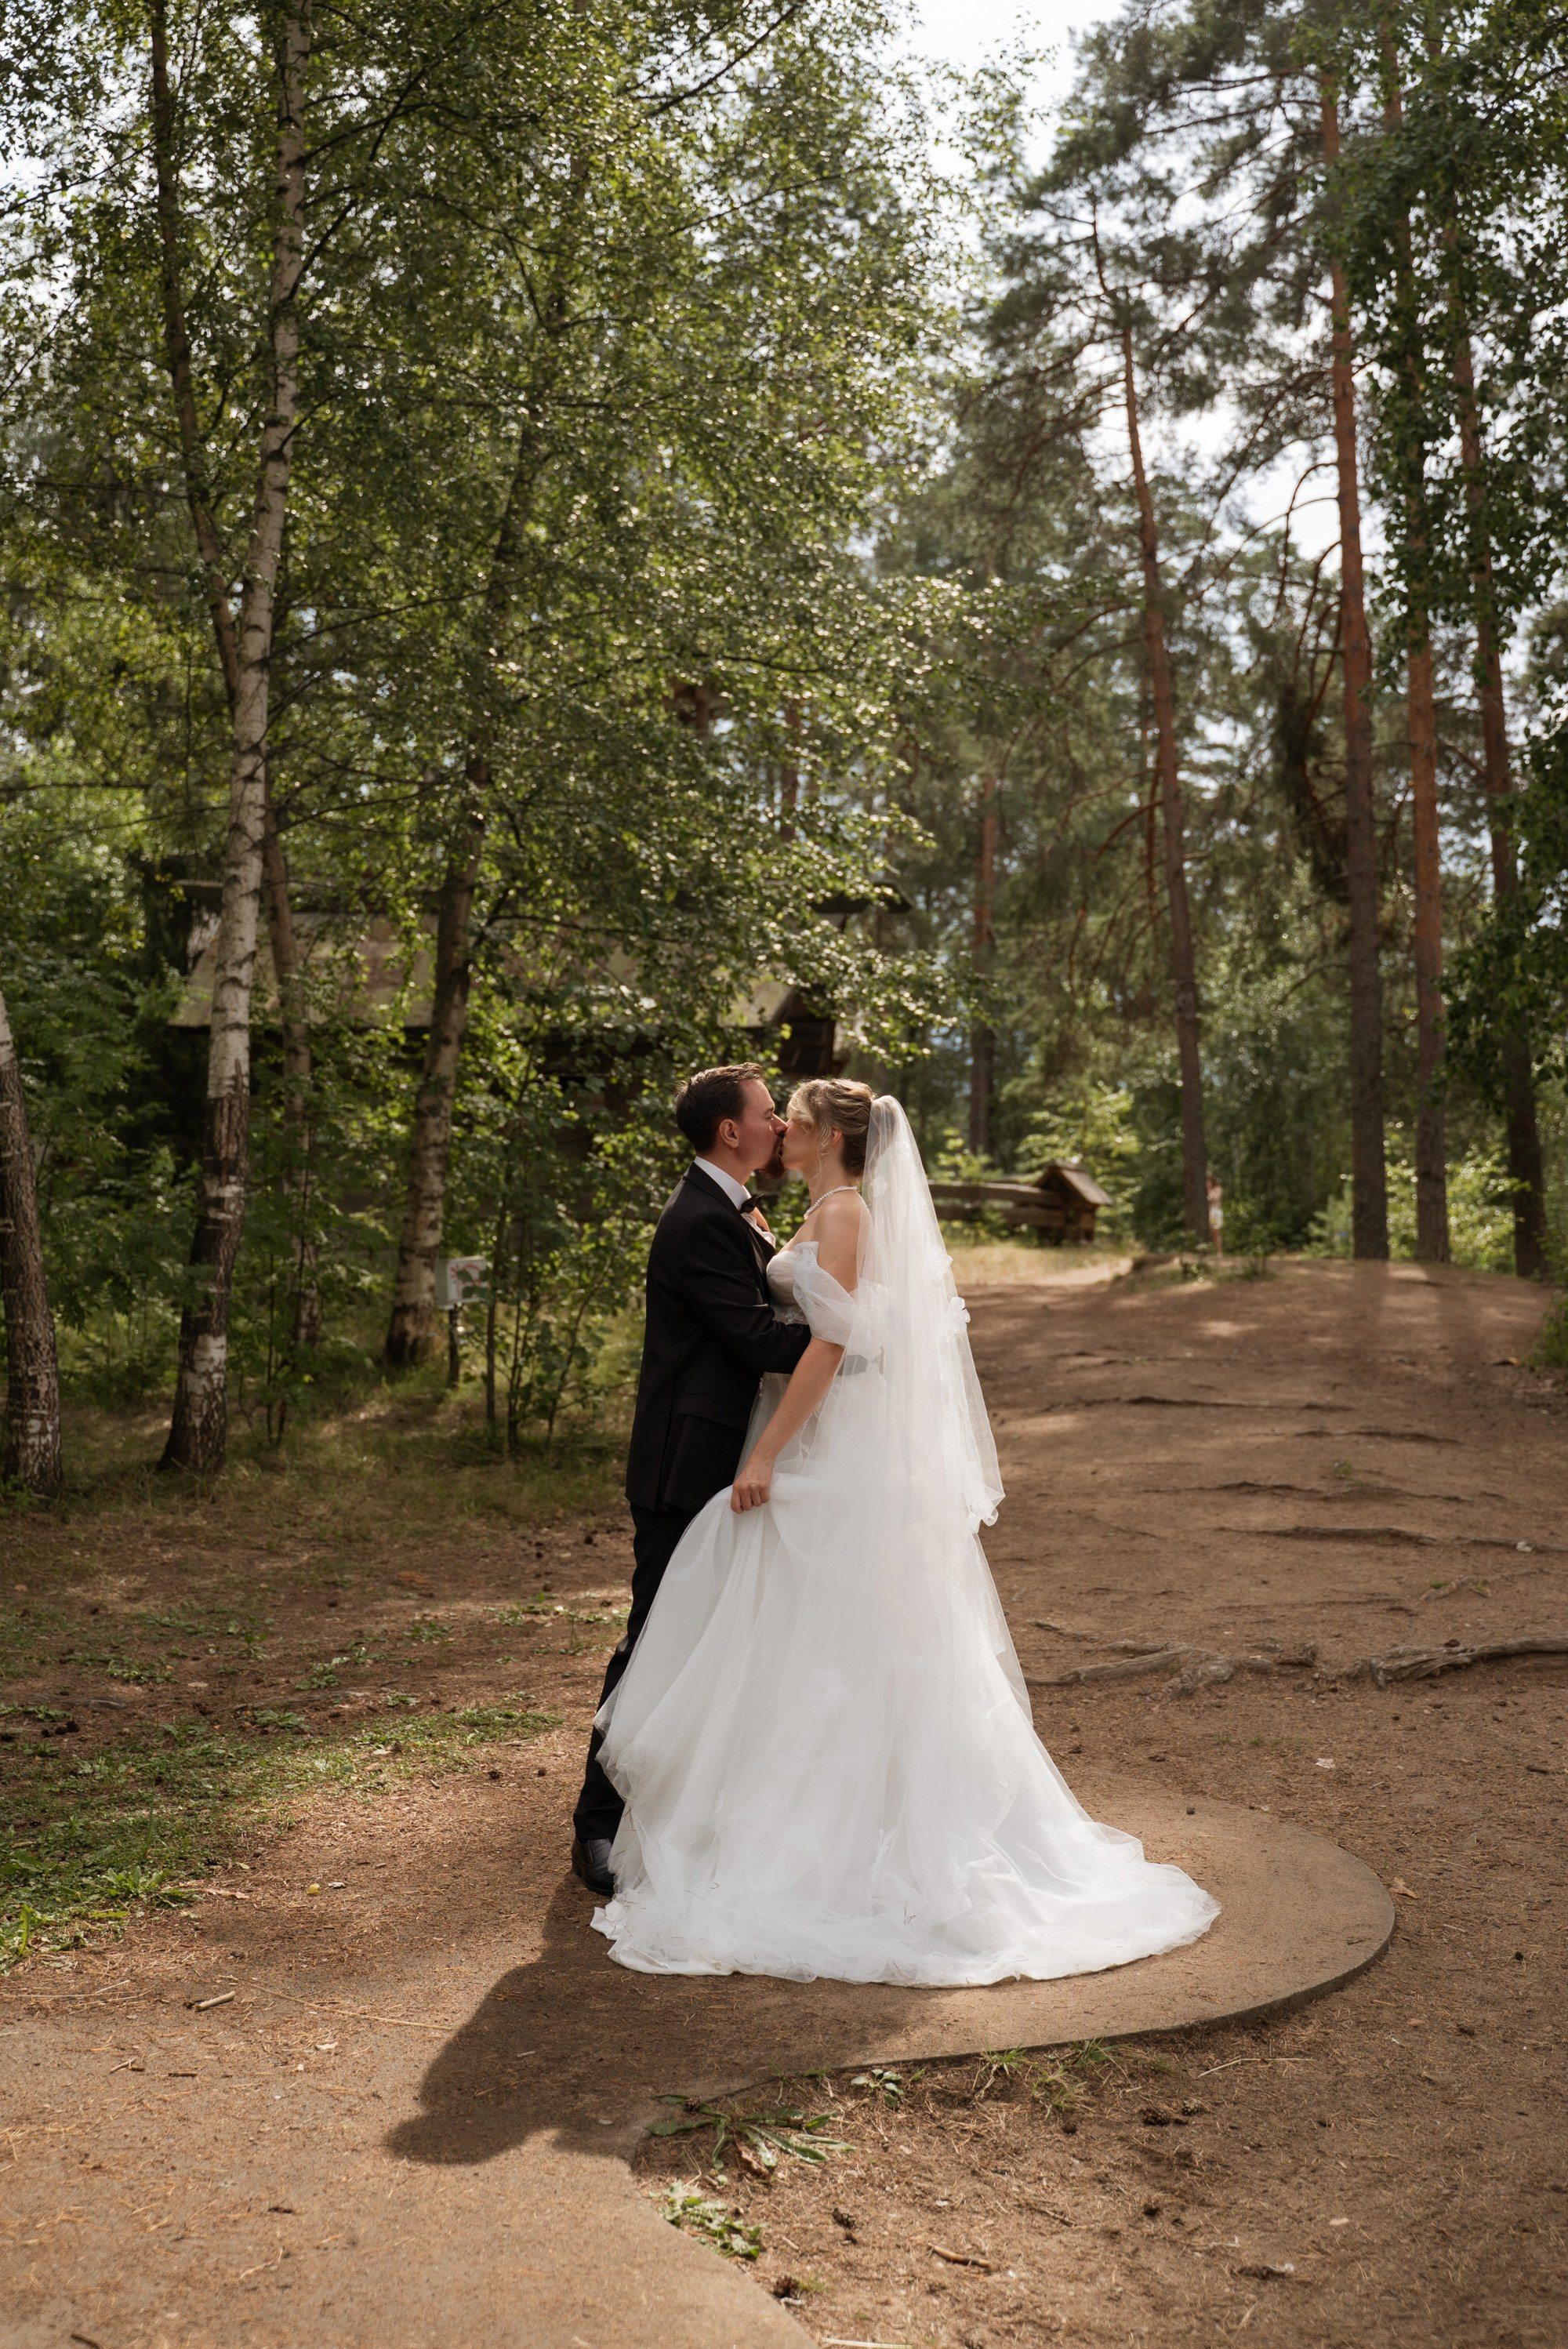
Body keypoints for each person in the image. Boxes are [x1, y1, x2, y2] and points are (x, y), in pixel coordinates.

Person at [586, 1079, 1219, 1985]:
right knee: (763, 1634)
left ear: (833, 1136)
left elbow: (826, 1343)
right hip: (782, 1441)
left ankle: (827, 1841)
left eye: (794, 1117)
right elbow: (797, 1331)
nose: (781, 1127)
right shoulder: (791, 1209)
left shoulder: (839, 1213)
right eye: (772, 1115)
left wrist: (769, 1446)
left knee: (819, 1637)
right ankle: (673, 1819)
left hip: (815, 1445)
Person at [570, 1064, 811, 1896]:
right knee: (652, 1640)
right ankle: (594, 1826)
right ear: (729, 1131)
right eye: (768, 1112)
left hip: (724, 1453)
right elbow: (758, 1338)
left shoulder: (733, 1204)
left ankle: (679, 1808)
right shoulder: (701, 1219)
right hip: (687, 1462)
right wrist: (862, 1332)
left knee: (709, 1639)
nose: (779, 1124)